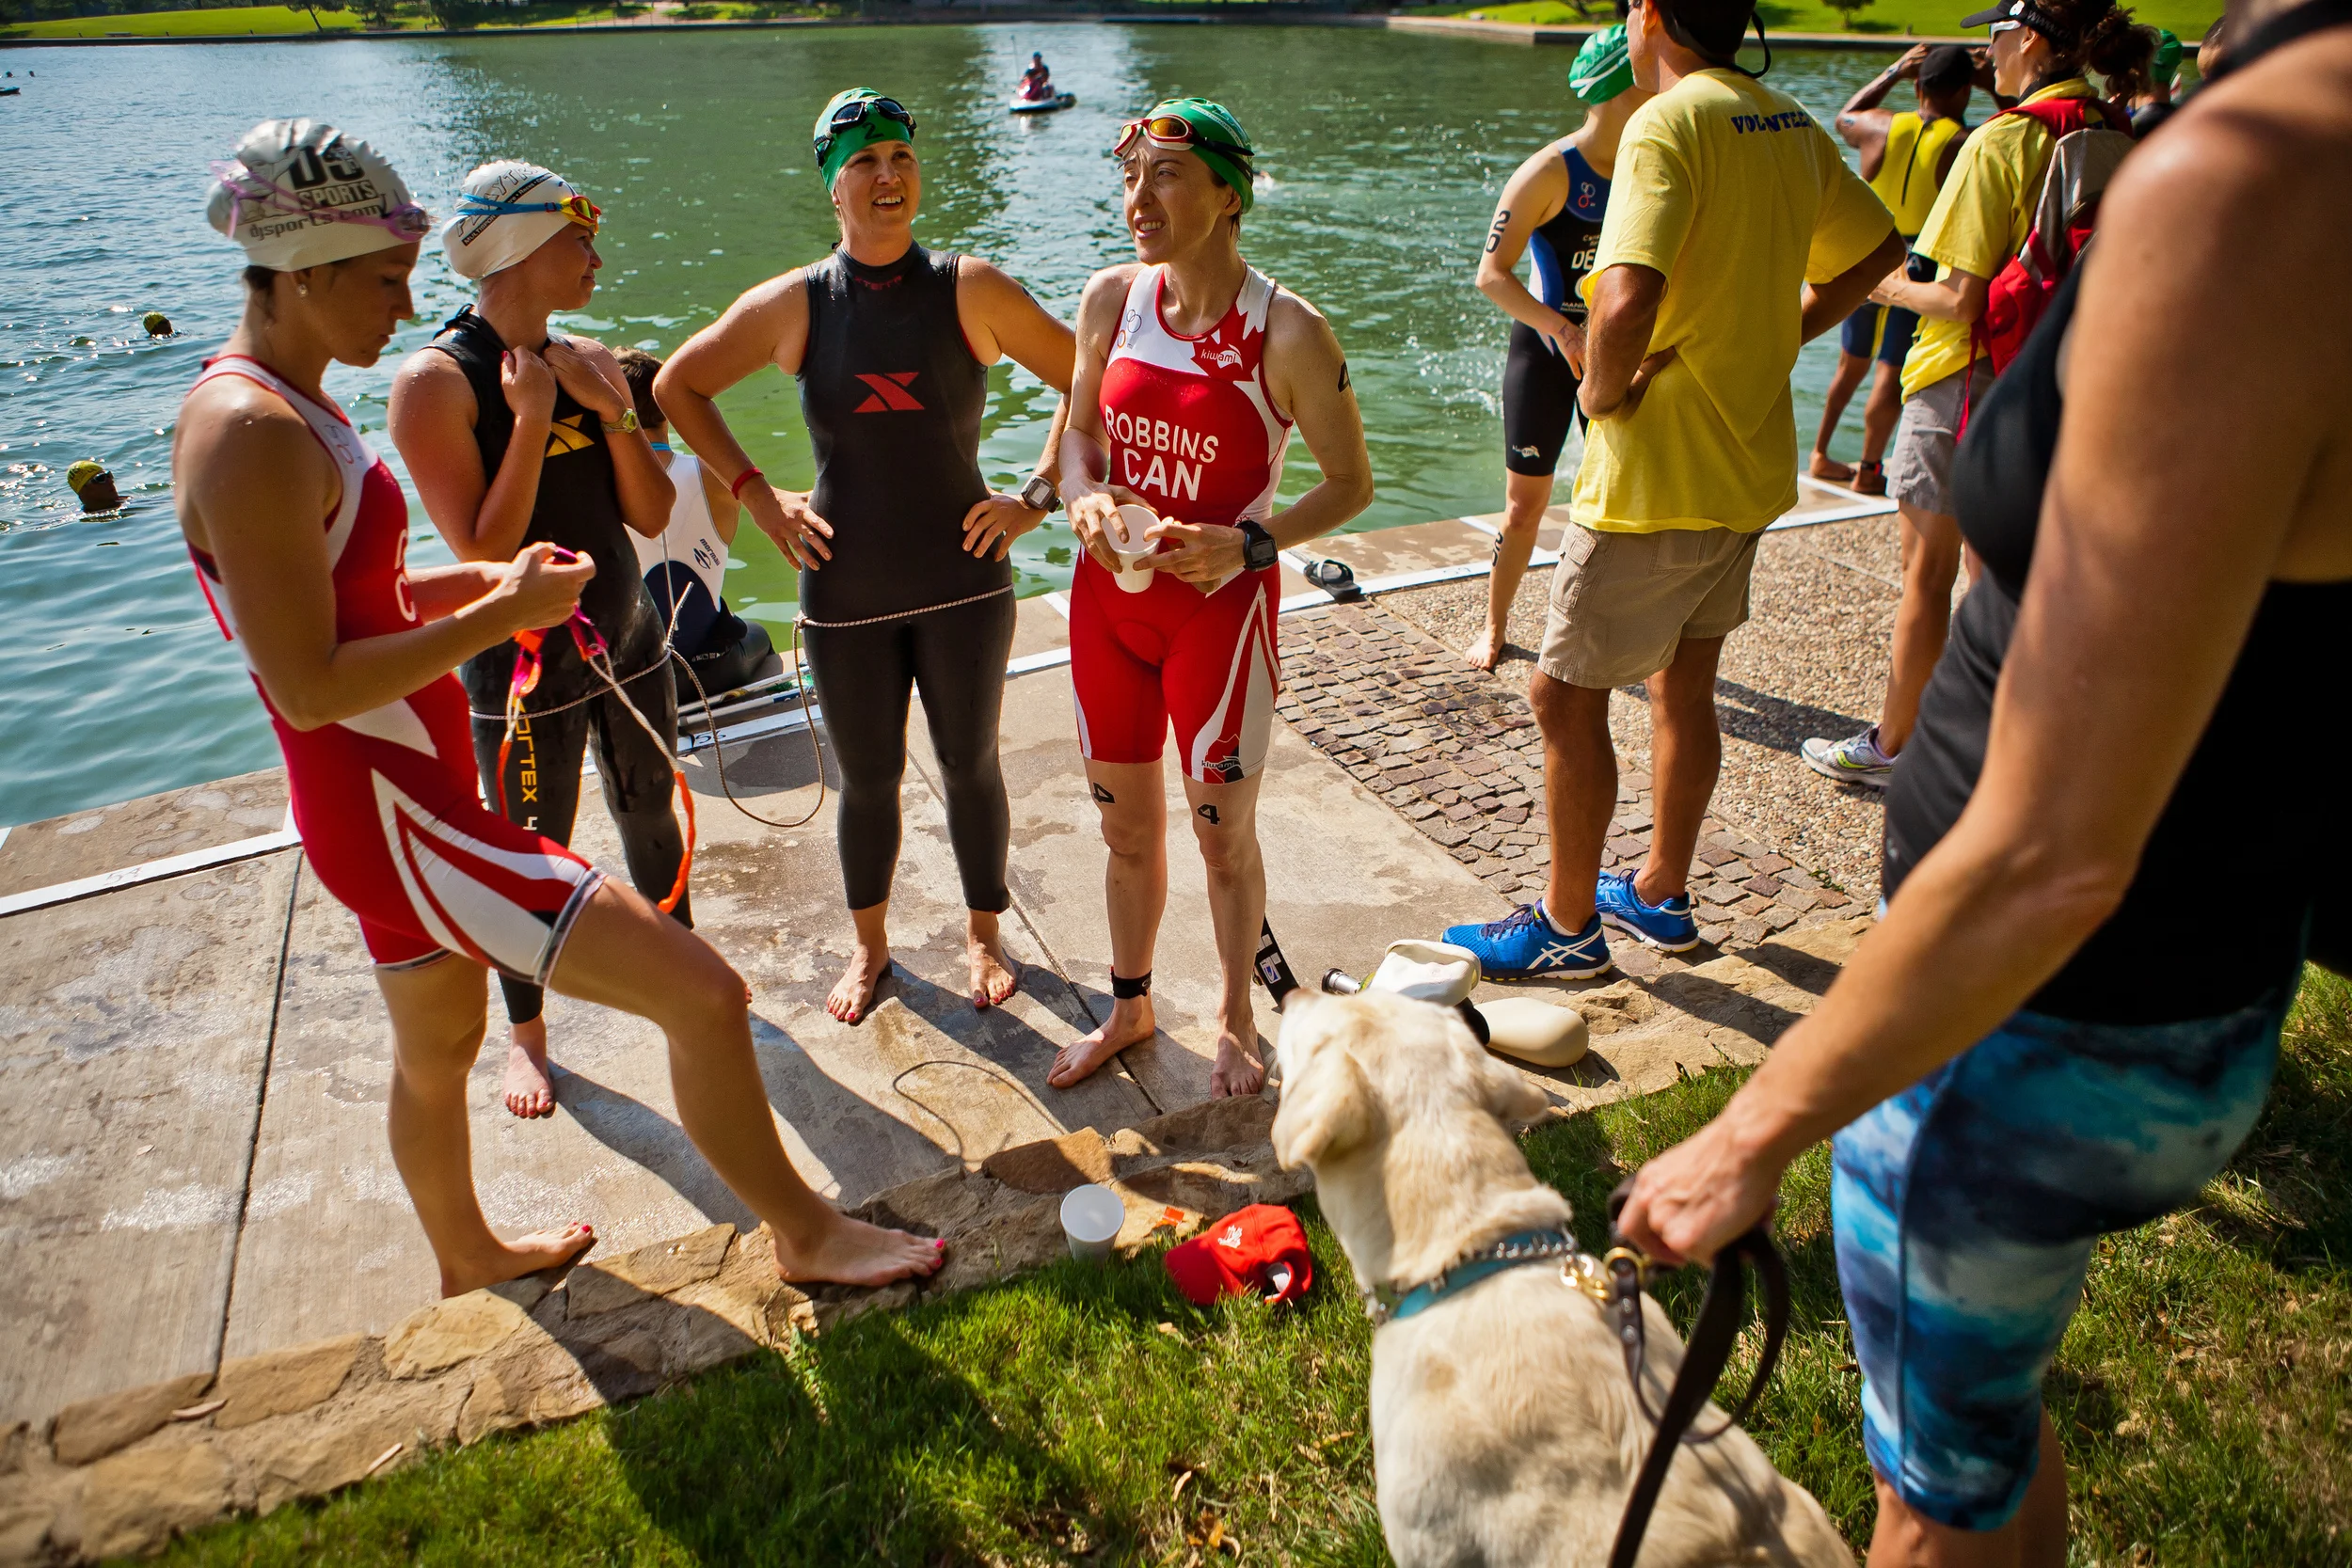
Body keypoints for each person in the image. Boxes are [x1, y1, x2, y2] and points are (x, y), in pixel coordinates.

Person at [1615, 3, 2351, 1561]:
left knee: (1930, 1499)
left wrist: (1750, 1130)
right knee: (1981, 1441)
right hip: (2205, 977)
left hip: (2036, 1023)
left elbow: (2052, 857)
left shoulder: (2265, 174)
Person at [179, 119, 946, 1299]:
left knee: (435, 1049)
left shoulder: (285, 406)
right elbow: (307, 682)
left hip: (392, 807)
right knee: (707, 994)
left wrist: (493, 581)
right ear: (306, 270)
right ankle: (807, 1230)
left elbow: (363, 594)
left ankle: (465, 1254)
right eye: (383, 279)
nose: (405, 300)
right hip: (406, 819)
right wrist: (505, 609)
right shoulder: (253, 433)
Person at [1441, 0, 1904, 980]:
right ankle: (1659, 891)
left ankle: (1568, 929)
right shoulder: (1780, 118)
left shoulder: (1668, 119)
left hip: (1656, 474)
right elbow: (1878, 251)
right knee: (1682, 685)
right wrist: (1782, 335)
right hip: (1745, 468)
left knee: (1561, 696)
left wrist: (1603, 392)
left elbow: (1625, 295)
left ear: (1649, 16)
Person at [658, 89, 1076, 1023]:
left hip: (964, 580)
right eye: (862, 163)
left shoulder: (970, 286)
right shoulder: (800, 303)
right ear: (832, 187)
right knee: (870, 777)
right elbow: (677, 384)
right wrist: (757, 497)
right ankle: (872, 945)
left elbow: (1089, 376)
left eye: (899, 156)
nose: (887, 175)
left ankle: (983, 935)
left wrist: (1036, 495)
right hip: (844, 587)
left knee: (972, 763)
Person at [1046, 98, 1374, 1097]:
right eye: (1131, 177)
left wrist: (1250, 541)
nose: (1138, 199)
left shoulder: (1288, 330)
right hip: (1108, 603)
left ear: (1228, 195)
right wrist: (1082, 495)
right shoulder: (1111, 298)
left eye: (1166, 177)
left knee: (1220, 835)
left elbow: (1351, 482)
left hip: (1220, 617)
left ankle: (1234, 1016)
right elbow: (1075, 439)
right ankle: (1131, 1002)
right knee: (1124, 829)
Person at [389, 161, 687, 1123]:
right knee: (533, 851)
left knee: (652, 817)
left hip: (627, 636)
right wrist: (526, 423)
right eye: (576, 240)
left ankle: (683, 984)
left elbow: (651, 510)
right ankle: (528, 1037)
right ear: (517, 249)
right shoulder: (436, 382)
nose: (596, 258)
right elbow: (480, 544)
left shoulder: (587, 356)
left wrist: (610, 415)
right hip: (520, 665)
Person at [1800, 0, 2150, 789]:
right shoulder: (2113, 130)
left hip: (1966, 378)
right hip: (2057, 377)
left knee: (1929, 573)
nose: (1988, 53)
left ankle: (1896, 745)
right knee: (2003, 577)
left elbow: (1959, 297)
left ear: (2030, 39)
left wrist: (1881, 286)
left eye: (1997, 35)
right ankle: (2016, 737)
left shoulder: (2004, 140)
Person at [1464, 24, 1655, 672]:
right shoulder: (1551, 171)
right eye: (1644, 80)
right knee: (1525, 506)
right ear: (1609, 93)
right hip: (1547, 353)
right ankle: (1494, 626)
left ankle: (1608, 630)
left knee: (1627, 502)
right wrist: (1563, 328)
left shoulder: (1651, 164)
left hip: (1617, 350)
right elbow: (1492, 275)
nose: (1658, 89)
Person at [1809, 43, 1976, 496]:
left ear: (1919, 85)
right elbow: (2016, 119)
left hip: (1868, 250)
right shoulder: (1963, 142)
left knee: (1849, 364)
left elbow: (1846, 113)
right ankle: (1868, 469)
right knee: (1890, 369)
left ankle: (1820, 454)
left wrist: (1895, 71)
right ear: (1964, 90)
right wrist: (1985, 85)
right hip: (1917, 262)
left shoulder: (1877, 125)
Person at [611, 346, 781, 705]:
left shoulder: (596, 488)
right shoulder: (716, 475)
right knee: (758, 635)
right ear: (669, 412)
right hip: (714, 671)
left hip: (638, 683)